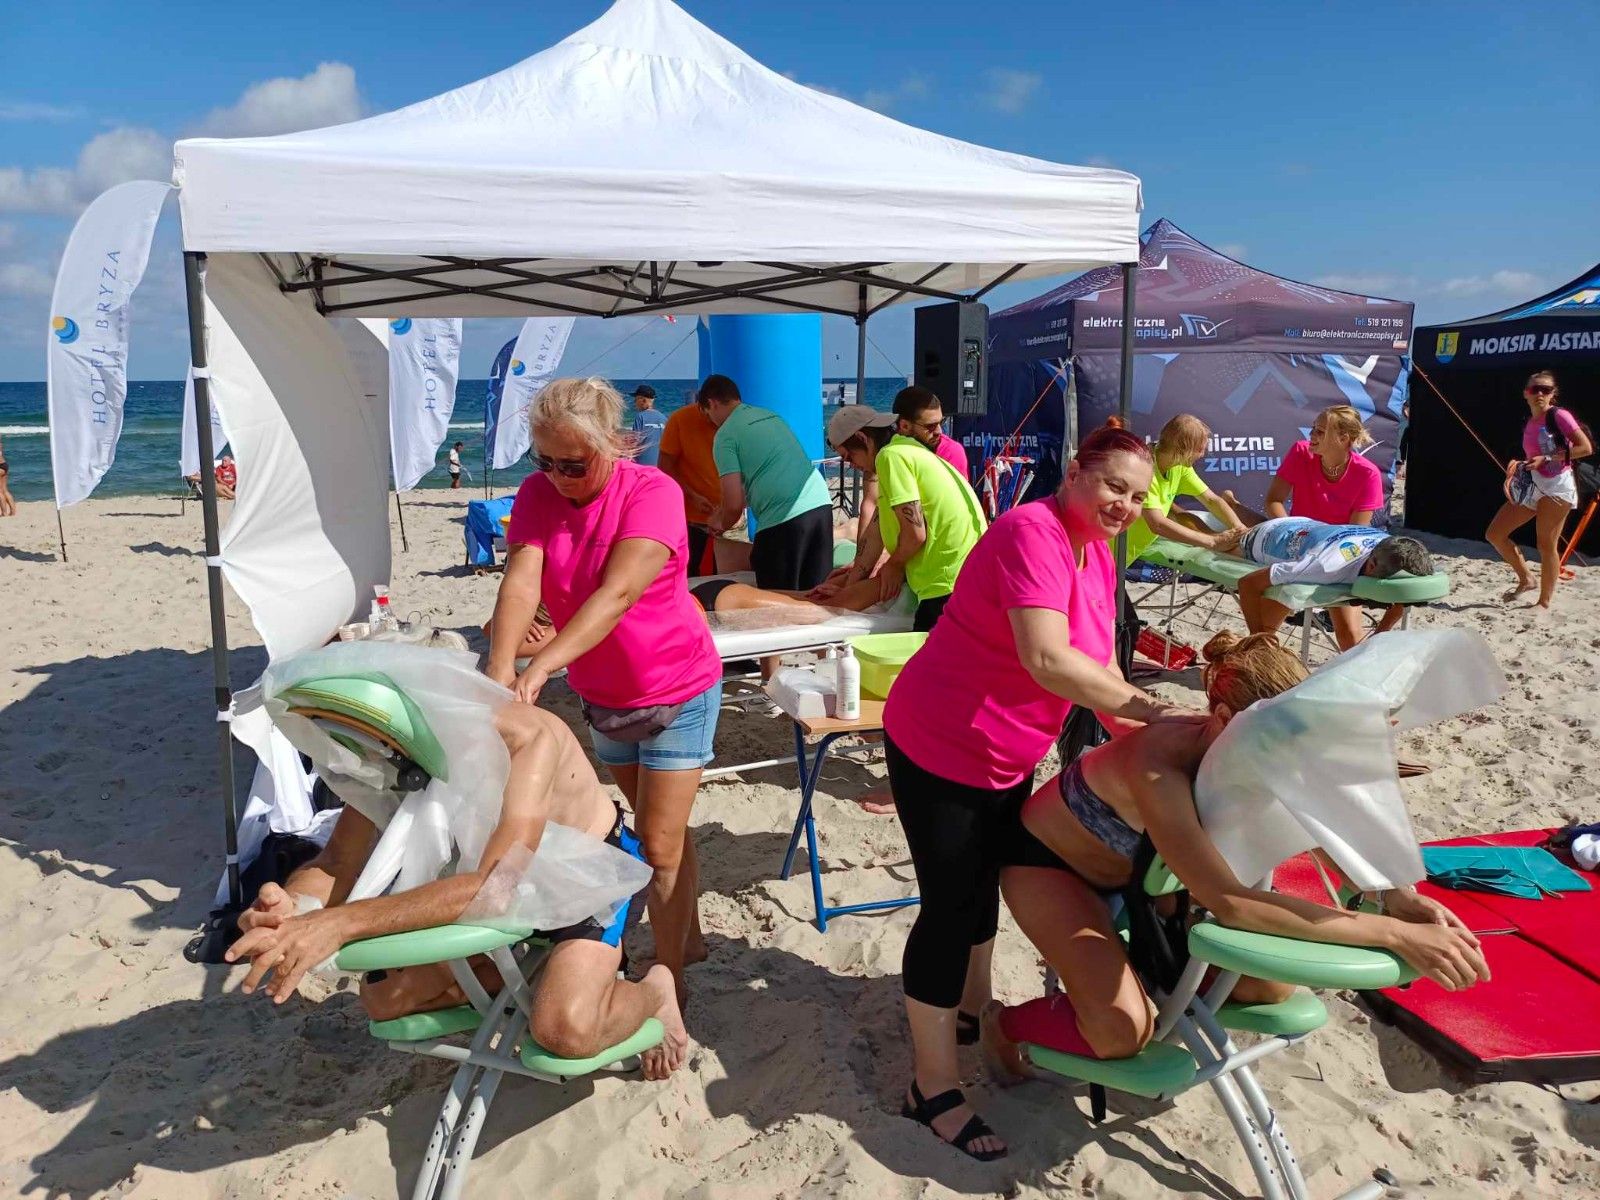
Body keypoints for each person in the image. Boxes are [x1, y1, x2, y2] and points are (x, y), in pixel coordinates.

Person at [880, 422, 1205, 1162]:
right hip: (942, 741)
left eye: (1138, 496)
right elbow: (1047, 658)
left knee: (983, 886)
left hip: (1009, 749)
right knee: (949, 905)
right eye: (1114, 486)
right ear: (1075, 473)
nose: (1126, 505)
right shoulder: (1034, 531)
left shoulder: (1097, 550)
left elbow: (1098, 674)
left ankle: (970, 1010)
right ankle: (932, 1087)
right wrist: (1155, 712)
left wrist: (1157, 736)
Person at [982, 630, 1488, 1075]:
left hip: (1139, 877)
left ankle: (1130, 977)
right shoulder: (1157, 765)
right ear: (1222, 718)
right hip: (1053, 867)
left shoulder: (1264, 741)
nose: (1285, 756)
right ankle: (1003, 1025)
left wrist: (1394, 895)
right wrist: (1395, 933)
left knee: (1267, 988)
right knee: (1121, 1033)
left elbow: (1319, 816)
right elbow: (1230, 903)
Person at [227, 703, 688, 1079]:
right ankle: (539, 979)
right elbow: (337, 862)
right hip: (495, 887)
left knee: (564, 1031)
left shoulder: (523, 738)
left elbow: (496, 887)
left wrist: (339, 922)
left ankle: (654, 990)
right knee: (385, 1000)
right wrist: (293, 908)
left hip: (587, 877)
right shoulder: (387, 749)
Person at [485, 376, 722, 1003]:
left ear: (613, 444)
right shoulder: (538, 494)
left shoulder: (653, 492)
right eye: (545, 462)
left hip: (676, 686)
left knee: (658, 846)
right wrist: (500, 665)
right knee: (659, 826)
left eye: (573, 464)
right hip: (604, 695)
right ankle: (690, 936)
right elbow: (521, 583)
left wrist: (540, 667)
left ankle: (667, 979)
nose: (558, 477)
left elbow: (617, 594)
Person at [826, 405, 986, 632]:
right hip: (968, 574)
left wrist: (894, 564)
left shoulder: (890, 457)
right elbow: (875, 531)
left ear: (862, 438)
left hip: (948, 583)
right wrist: (850, 586)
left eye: (849, 456)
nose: (852, 465)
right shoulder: (907, 449)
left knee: (928, 653)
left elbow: (915, 533)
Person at [701, 374, 834, 591]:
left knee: (777, 600)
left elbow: (734, 505)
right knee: (818, 595)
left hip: (783, 518)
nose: (712, 421)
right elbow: (771, 474)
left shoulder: (725, 436)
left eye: (708, 415)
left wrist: (720, 523)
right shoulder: (770, 416)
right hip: (819, 503)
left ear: (712, 403)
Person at [1235, 516, 1432, 650]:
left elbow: (1403, 594)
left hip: (1309, 527)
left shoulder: (1392, 548)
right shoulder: (1324, 567)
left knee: (1352, 645)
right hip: (1263, 538)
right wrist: (1257, 637)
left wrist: (1381, 632)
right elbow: (1248, 584)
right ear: (1371, 566)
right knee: (1263, 642)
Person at [1486, 370, 1594, 609]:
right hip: (1534, 484)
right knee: (1495, 534)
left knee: (1546, 545)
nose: (1540, 394)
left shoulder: (1559, 415)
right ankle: (1527, 579)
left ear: (1553, 393)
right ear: (1526, 393)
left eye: (1546, 389)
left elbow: (1586, 448)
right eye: (1535, 389)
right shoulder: (1530, 421)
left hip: (1557, 486)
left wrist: (1546, 458)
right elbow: (1535, 455)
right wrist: (1520, 465)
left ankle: (1543, 603)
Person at [1125, 414, 1246, 561]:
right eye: (1200, 449)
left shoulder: (1179, 466)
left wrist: (1240, 529)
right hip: (1109, 553)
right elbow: (1157, 524)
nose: (1202, 455)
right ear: (1183, 449)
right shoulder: (1144, 470)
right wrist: (1213, 541)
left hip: (1122, 557)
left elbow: (1211, 500)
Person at [659, 387, 723, 576]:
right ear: (707, 405)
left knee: (724, 575)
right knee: (687, 572)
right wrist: (692, 496)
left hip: (728, 520)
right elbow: (664, 467)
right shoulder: (681, 419)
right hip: (690, 518)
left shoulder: (734, 421)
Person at [892, 385, 969, 480]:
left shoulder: (950, 451)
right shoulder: (886, 450)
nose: (939, 431)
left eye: (942, 422)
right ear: (905, 426)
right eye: (931, 426)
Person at [631, 384, 667, 468]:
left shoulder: (640, 417)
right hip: (661, 466)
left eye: (636, 400)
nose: (634, 403)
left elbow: (634, 443)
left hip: (643, 467)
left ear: (643, 400)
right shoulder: (664, 418)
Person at [1, 435, 16, 516]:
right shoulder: (0, 444)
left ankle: (4, 512)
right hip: (4, 464)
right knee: (5, 490)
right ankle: (13, 511)